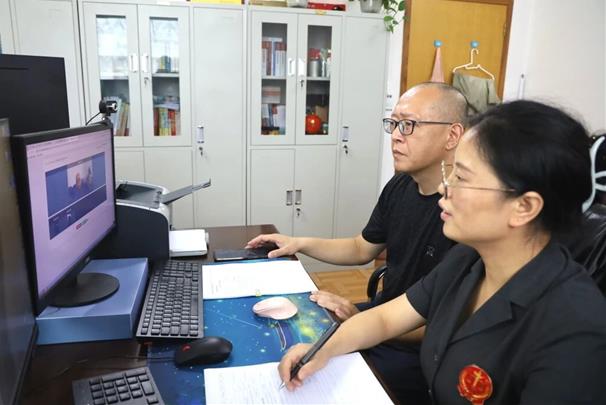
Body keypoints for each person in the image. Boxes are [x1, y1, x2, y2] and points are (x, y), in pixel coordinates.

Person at [278, 100, 606, 404]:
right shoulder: (468, 259)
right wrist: (321, 350)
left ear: (524, 207)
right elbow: (385, 318)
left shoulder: (576, 331)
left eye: (461, 177)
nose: (443, 188)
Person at [247, 82, 467, 403]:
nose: (396, 136)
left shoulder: (465, 218)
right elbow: (361, 248)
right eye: (393, 124)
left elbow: (443, 328)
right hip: (384, 319)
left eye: (409, 125)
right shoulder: (400, 186)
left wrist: (360, 322)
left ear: (452, 135)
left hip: (417, 349)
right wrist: (298, 242)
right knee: (291, 336)